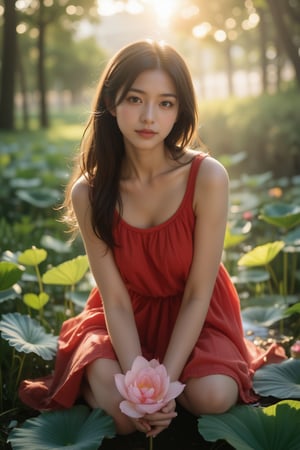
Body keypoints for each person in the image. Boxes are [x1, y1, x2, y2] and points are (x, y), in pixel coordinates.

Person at [19, 39, 285, 439]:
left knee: (213, 395)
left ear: (180, 110)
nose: (149, 117)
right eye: (135, 99)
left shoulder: (207, 177)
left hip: (196, 314)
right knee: (126, 418)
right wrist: (136, 387)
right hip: (126, 319)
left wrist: (162, 386)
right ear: (111, 102)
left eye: (165, 103)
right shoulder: (90, 193)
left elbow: (199, 292)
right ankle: (97, 376)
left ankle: (149, 387)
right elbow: (116, 301)